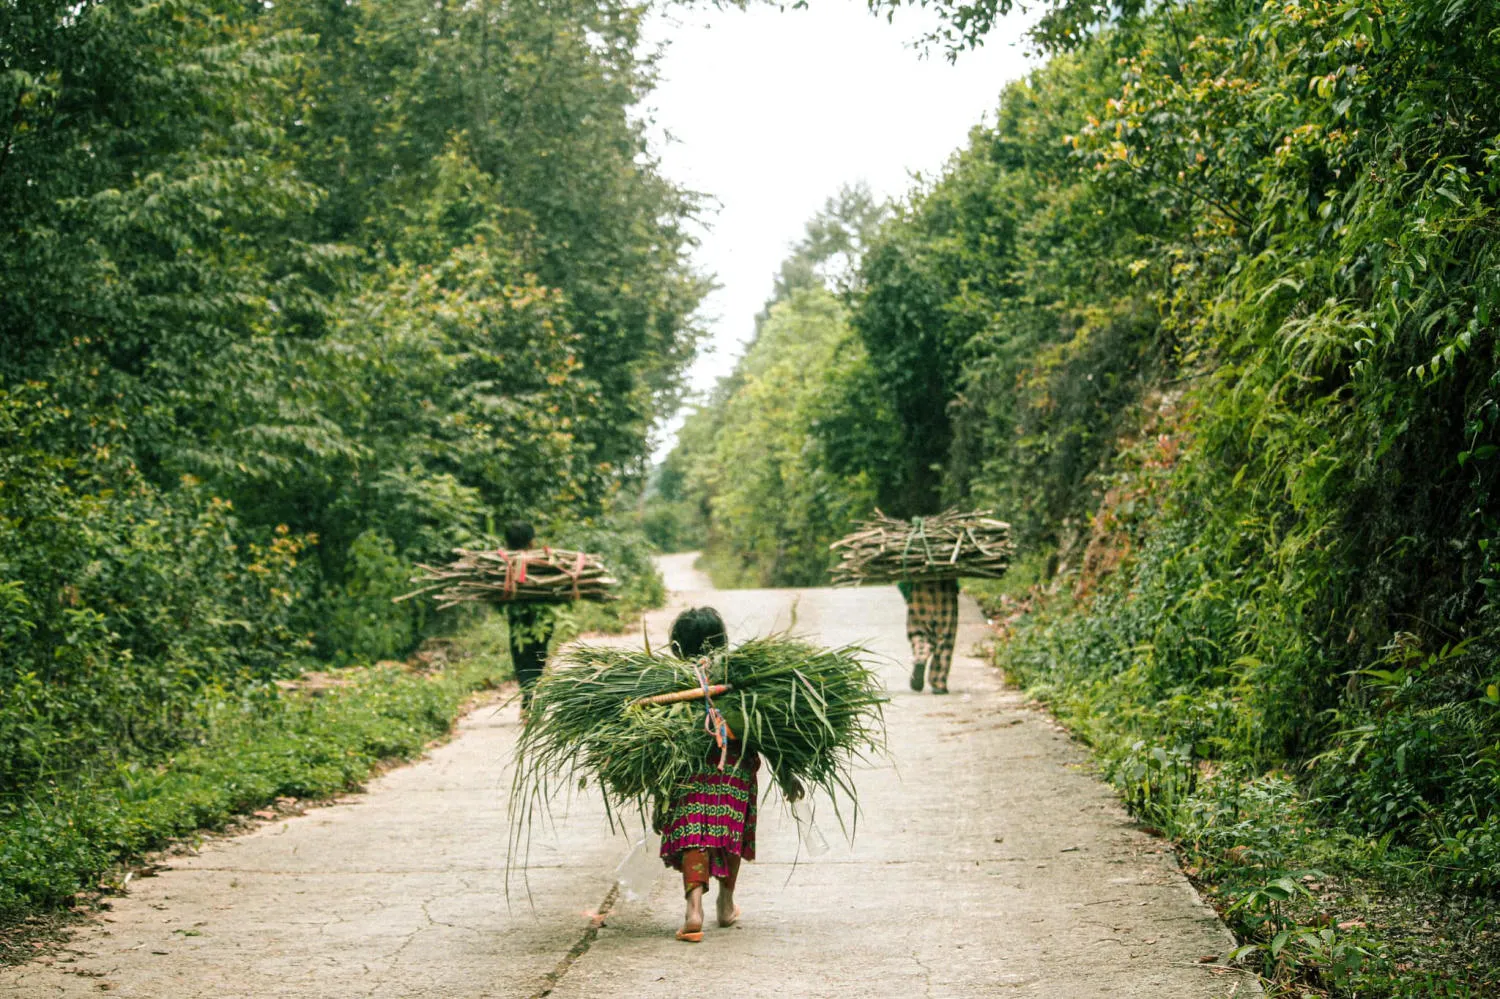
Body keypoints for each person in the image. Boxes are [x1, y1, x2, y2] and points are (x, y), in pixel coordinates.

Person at [655, 606, 798, 942]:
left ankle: (693, 909)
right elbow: (770, 731)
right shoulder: (741, 677)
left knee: (695, 833)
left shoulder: (667, 682)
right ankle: (726, 902)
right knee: (727, 832)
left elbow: (654, 747)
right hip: (732, 771)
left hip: (687, 772)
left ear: (678, 646)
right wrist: (786, 774)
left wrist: (656, 800)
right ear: (721, 642)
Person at [502, 520, 554, 719]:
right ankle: (530, 701)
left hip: (518, 619)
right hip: (544, 618)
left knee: (522, 657)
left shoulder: (504, 562)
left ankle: (528, 700)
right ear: (532, 541)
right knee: (538, 655)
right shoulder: (545, 560)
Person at [901, 578, 959, 695]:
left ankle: (921, 655)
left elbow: (903, 580)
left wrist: (908, 593)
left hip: (919, 587)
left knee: (919, 629)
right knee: (945, 636)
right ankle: (938, 681)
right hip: (946, 587)